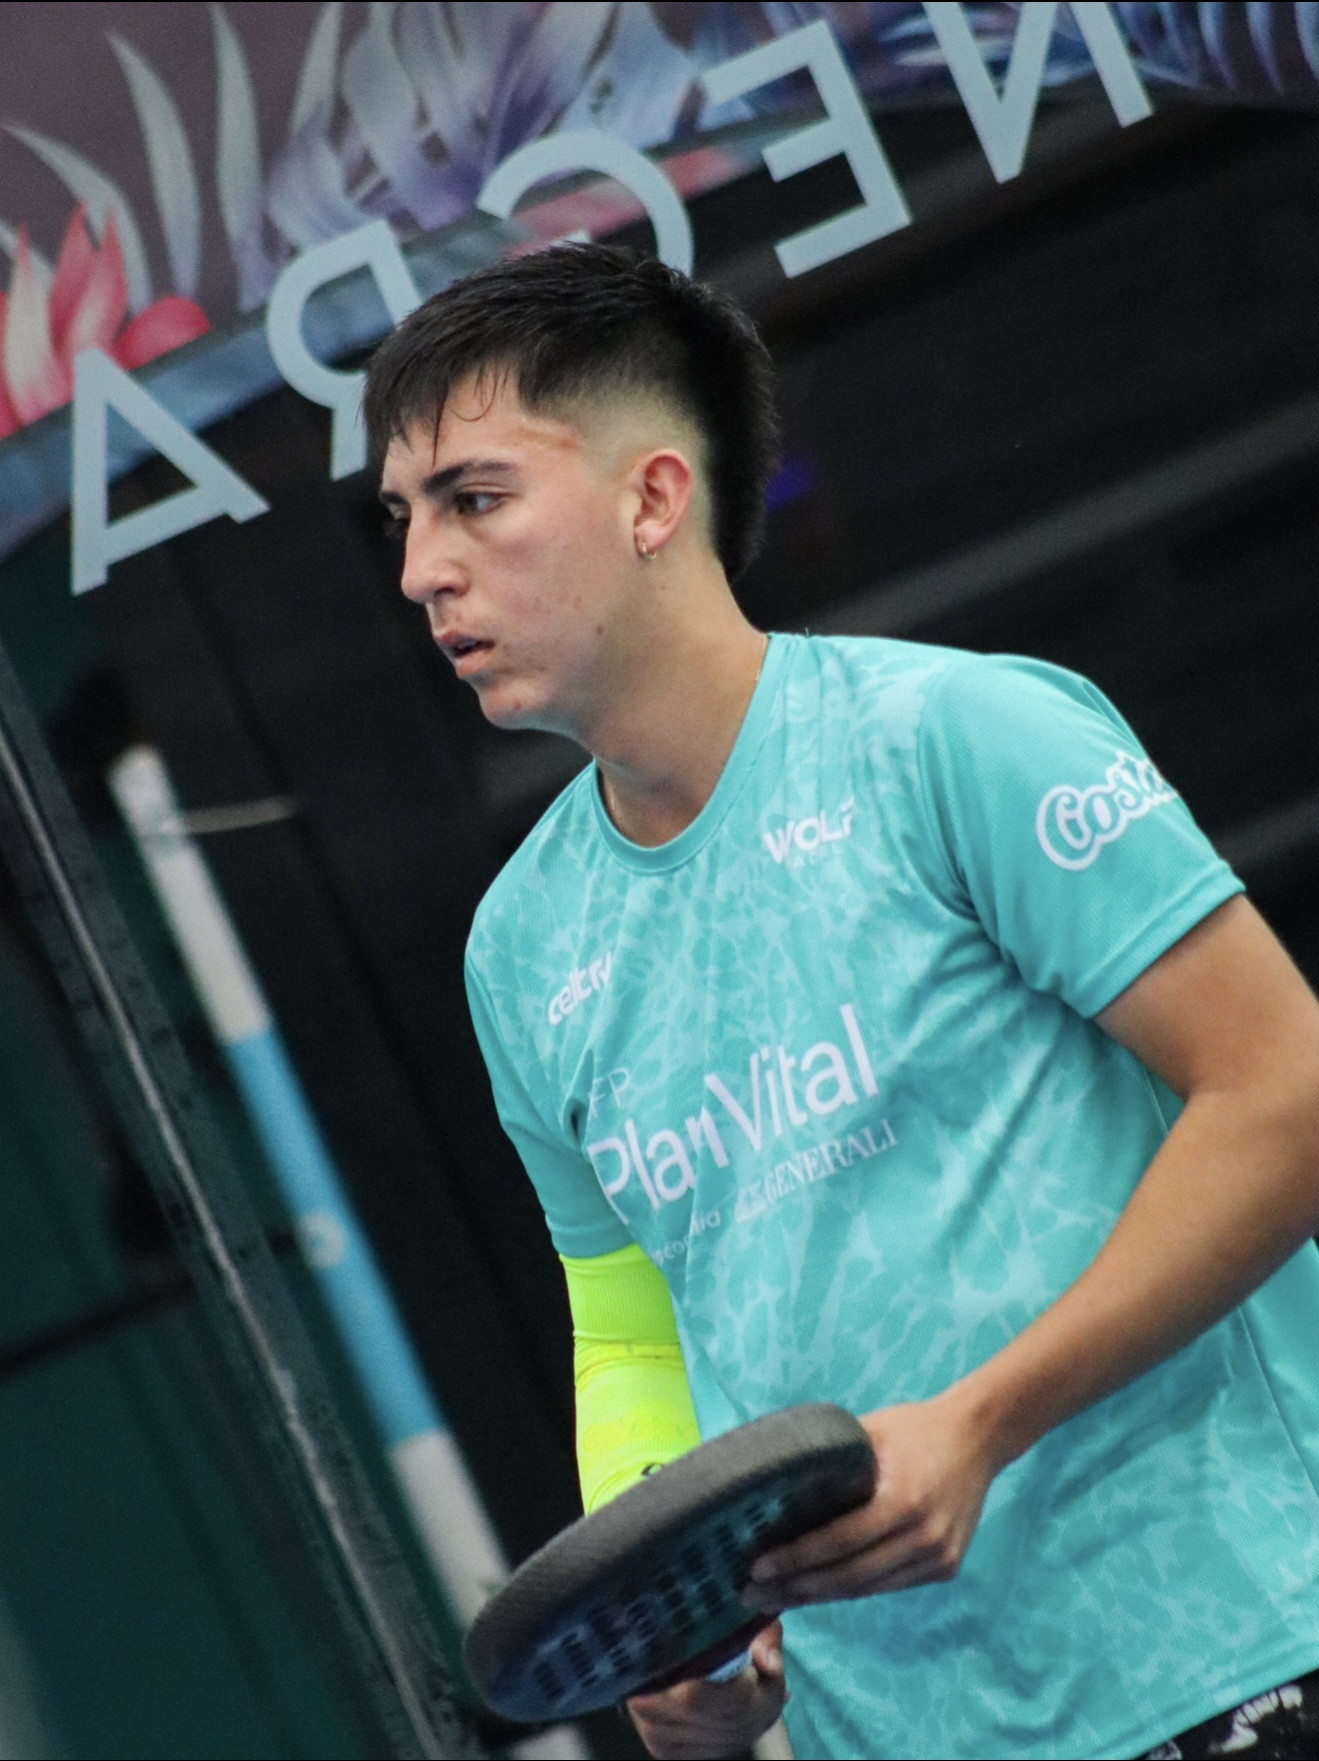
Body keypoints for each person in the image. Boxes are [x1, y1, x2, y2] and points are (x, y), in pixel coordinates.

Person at [366, 244, 1319, 1761]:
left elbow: (1287, 1094)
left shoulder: (959, 734)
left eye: (473, 498)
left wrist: (984, 1422)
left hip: (1236, 1651)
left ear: (653, 498)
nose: (423, 567)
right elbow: (629, 1328)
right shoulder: (519, 951)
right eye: (403, 518)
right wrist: (677, 1623)